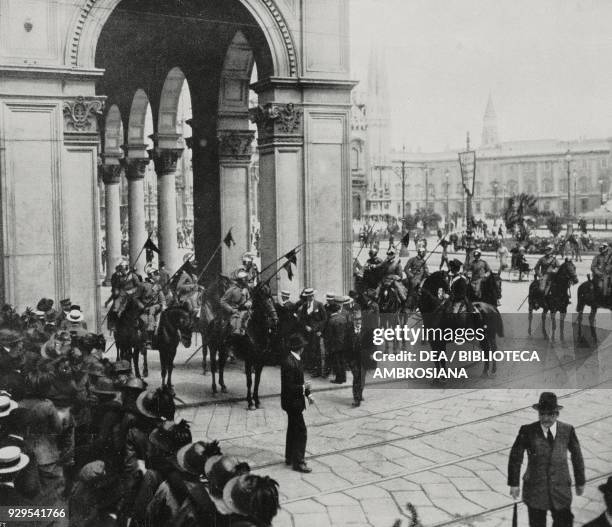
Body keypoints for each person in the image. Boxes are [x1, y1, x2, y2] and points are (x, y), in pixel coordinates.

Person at [507, 392, 585, 527]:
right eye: (542, 414)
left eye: (550, 414)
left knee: (564, 523)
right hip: (535, 491)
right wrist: (514, 484)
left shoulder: (567, 430)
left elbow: (577, 456)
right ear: (538, 414)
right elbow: (515, 457)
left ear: (557, 414)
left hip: (561, 490)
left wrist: (580, 481)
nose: (546, 418)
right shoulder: (527, 431)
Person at [281, 334, 313, 473]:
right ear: (300, 348)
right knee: (301, 431)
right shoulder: (290, 362)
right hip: (292, 403)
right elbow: (290, 386)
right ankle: (298, 462)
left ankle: (289, 457)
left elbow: (299, 381)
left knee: (292, 429)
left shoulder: (294, 359)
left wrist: (308, 394)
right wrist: (303, 388)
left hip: (293, 402)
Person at [294, 288, 327, 377]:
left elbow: (324, 319)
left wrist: (320, 330)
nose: (310, 297)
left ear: (313, 296)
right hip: (307, 332)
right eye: (308, 296)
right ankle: (311, 367)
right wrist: (305, 326)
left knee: (317, 351)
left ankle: (318, 371)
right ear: (307, 297)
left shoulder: (319, 305)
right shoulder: (304, 306)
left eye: (311, 295)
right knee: (309, 349)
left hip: (316, 332)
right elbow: (302, 319)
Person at [324, 298, 347, 384]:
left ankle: (339, 379)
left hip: (335, 345)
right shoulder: (343, 318)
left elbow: (329, 335)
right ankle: (343, 377)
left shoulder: (331, 321)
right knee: (342, 361)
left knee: (336, 361)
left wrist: (328, 346)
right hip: (343, 343)